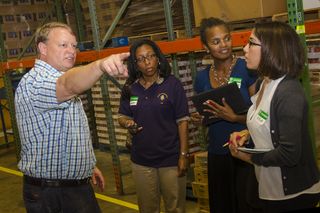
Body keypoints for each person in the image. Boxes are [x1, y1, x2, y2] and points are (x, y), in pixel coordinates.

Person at [14, 22, 129, 213]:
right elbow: (68, 84)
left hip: (74, 186)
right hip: (50, 193)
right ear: (43, 48)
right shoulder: (34, 82)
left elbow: (69, 130)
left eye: (74, 46)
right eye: (63, 45)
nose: (72, 51)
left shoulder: (60, 79)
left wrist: (88, 166)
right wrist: (100, 64)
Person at [228, 21, 320, 213]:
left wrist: (247, 156)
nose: (245, 49)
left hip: (294, 196)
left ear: (272, 49)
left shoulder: (288, 92)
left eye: (251, 43)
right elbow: (269, 124)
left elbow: (289, 154)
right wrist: (247, 135)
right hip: (269, 189)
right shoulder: (264, 83)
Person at [191, 17, 259, 213]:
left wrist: (235, 118)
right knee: (222, 205)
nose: (223, 45)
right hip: (217, 153)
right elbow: (206, 113)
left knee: (246, 205)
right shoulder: (202, 78)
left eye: (226, 38)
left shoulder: (247, 69)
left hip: (245, 150)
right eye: (216, 41)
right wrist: (200, 119)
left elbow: (261, 115)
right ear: (205, 47)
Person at [118, 39, 189, 213]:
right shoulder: (130, 89)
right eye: (141, 59)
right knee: (148, 209)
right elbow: (122, 116)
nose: (147, 62)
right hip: (142, 161)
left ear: (158, 58)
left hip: (170, 159)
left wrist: (183, 155)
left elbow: (183, 122)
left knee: (175, 208)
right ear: (135, 64)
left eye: (150, 56)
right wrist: (128, 123)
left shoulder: (173, 85)